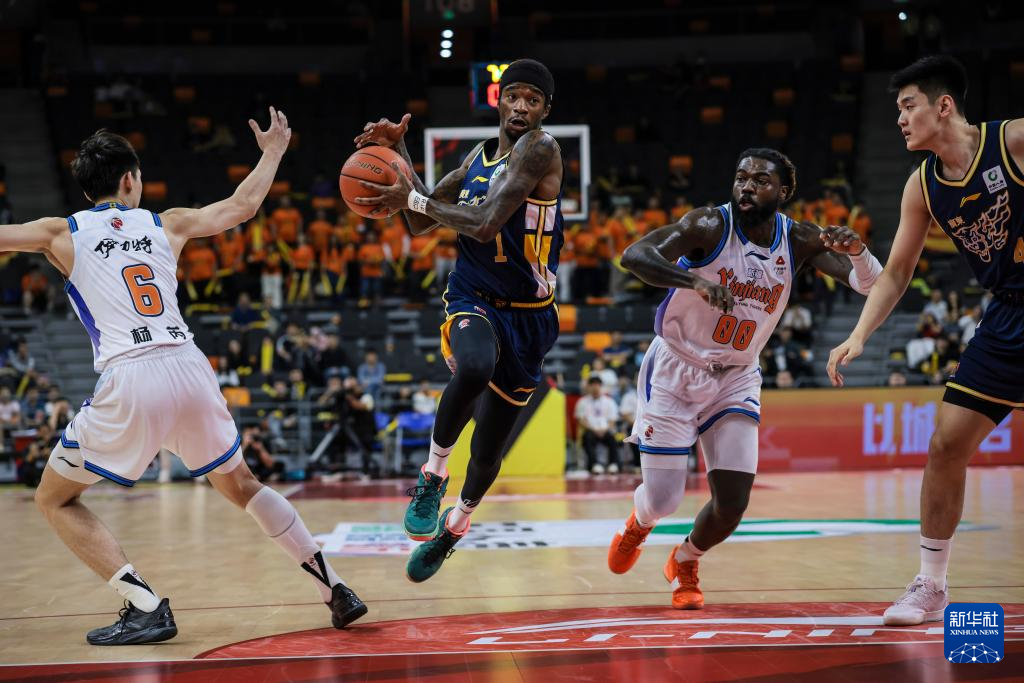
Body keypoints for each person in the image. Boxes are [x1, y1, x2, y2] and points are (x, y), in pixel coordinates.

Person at [0, 112, 366, 646]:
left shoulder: (61, 231)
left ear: (87, 189)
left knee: (54, 498)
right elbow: (242, 206)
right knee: (243, 485)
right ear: (130, 180)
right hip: (189, 366)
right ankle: (335, 589)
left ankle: (144, 605)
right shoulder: (166, 223)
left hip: (131, 374)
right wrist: (273, 152)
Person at [605, 148, 882, 610]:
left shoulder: (798, 239)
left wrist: (858, 252)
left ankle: (685, 560)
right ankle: (640, 522)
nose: (747, 186)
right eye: (741, 177)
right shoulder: (708, 225)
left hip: (736, 376)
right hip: (676, 367)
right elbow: (634, 256)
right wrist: (694, 282)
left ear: (783, 191)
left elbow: (871, 285)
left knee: (732, 503)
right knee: (664, 500)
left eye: (761, 180)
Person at [827, 56, 1024, 626]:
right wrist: (858, 334)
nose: (900, 119)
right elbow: (896, 272)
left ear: (943, 106)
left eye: (907, 105)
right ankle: (931, 585)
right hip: (1007, 316)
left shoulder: (1012, 141)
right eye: (896, 109)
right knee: (945, 445)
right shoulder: (923, 185)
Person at [354, 58, 563, 581]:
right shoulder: (474, 157)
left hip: (530, 315)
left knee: (489, 448)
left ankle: (456, 525)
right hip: (473, 295)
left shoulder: (540, 149)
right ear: (499, 100)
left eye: (532, 99)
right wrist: (398, 154)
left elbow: (486, 223)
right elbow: (419, 219)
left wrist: (412, 192)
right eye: (513, 95)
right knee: (472, 366)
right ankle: (432, 475)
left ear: (545, 109)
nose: (521, 106)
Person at [575, 376, 622, 474]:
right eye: (592, 385)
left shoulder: (609, 401)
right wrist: (594, 429)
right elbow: (581, 420)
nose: (595, 388)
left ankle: (613, 464)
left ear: (601, 386)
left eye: (597, 385)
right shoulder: (582, 402)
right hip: (591, 430)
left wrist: (605, 429)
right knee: (587, 437)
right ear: (588, 387)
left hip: (605, 429)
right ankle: (595, 465)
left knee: (612, 437)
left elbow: (612, 420)